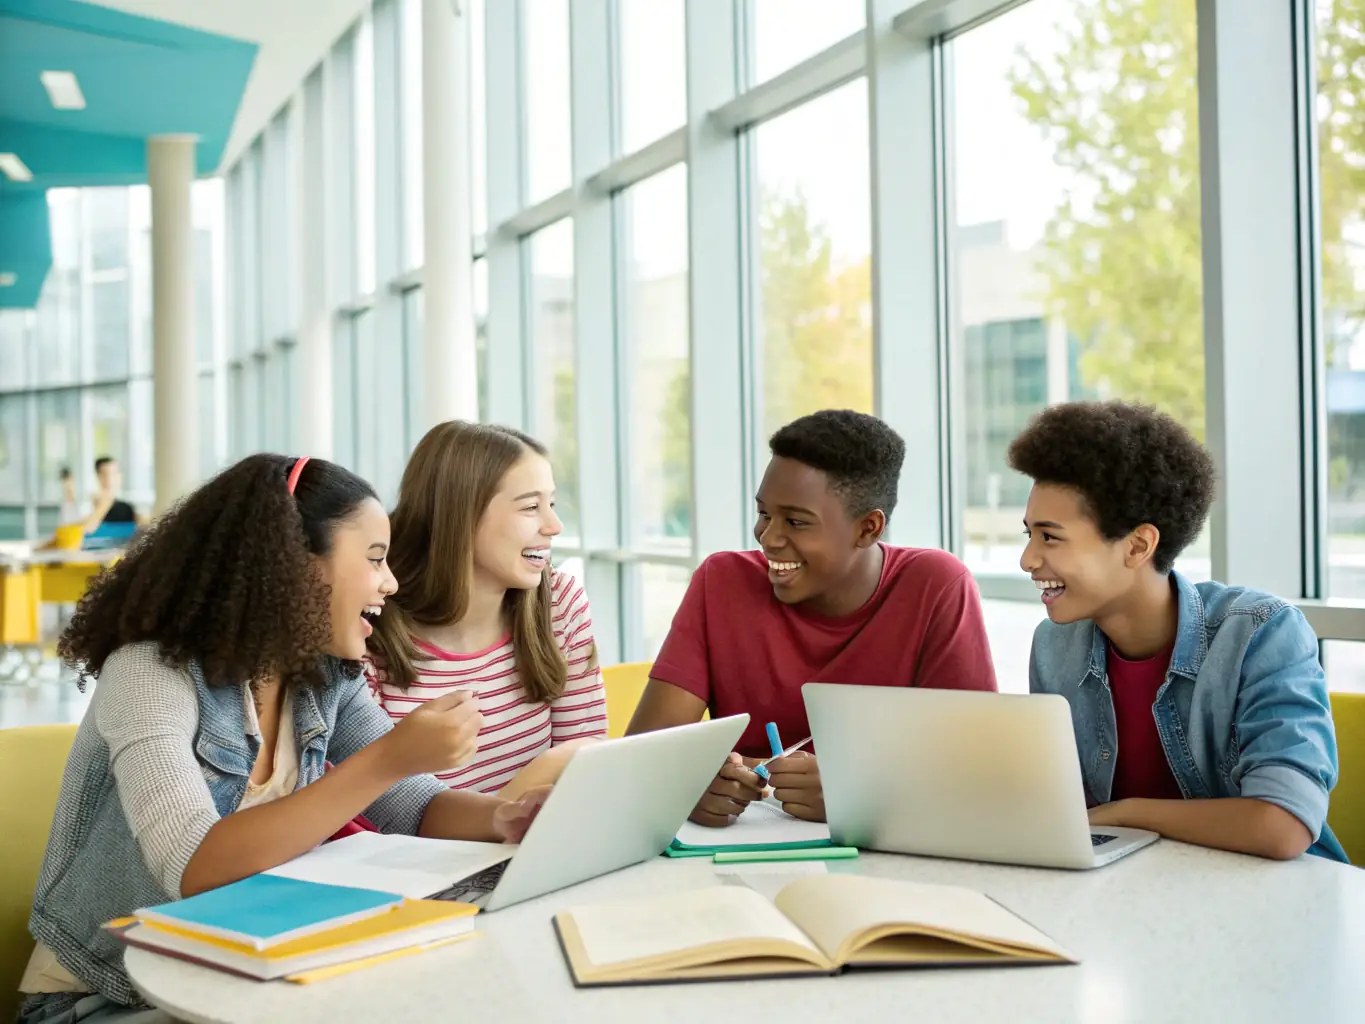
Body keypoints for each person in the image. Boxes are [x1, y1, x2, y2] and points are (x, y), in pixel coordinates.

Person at [18, 454, 549, 1022]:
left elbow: (413, 807)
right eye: (373, 560)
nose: (390, 583)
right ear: (294, 569)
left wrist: (505, 818)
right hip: (104, 996)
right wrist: (387, 760)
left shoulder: (319, 676)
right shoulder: (150, 673)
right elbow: (194, 865)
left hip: (245, 974)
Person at [627, 409, 998, 827]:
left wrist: (861, 791)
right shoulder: (722, 582)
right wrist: (688, 783)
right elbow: (641, 759)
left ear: (868, 528)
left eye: (797, 522)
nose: (768, 538)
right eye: (764, 514)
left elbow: (975, 777)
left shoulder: (936, 587)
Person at [1012, 400, 1346, 862]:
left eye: (1049, 537)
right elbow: (1060, 813)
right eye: (1027, 534)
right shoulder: (1053, 647)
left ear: (1137, 545)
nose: (1028, 559)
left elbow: (1281, 825)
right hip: (1134, 899)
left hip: (1277, 903)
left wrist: (1124, 814)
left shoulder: (1260, 633)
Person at [366, 422, 607, 800]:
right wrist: (536, 780)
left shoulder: (559, 603)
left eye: (552, 504)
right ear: (461, 515)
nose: (554, 526)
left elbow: (589, 766)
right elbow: (387, 813)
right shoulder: (368, 632)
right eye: (531, 507)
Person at [81, 456, 137, 534]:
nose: (109, 479)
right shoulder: (86, 505)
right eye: (104, 474)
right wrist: (104, 505)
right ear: (97, 476)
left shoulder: (126, 508)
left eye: (114, 473)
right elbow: (84, 530)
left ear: (120, 476)